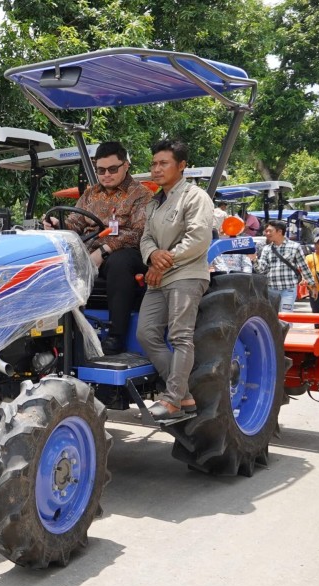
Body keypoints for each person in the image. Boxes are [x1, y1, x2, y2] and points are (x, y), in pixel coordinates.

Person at [43, 141, 153, 354]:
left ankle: (115, 336)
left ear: (125, 165)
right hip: (92, 251)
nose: (107, 175)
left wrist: (104, 251)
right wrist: (58, 223)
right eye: (101, 170)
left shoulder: (141, 194)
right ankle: (60, 331)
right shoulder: (91, 194)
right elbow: (76, 222)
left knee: (118, 263)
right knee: (53, 261)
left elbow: (138, 232)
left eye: (113, 169)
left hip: (128, 251)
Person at [135, 139, 214, 421]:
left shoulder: (195, 197)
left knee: (181, 337)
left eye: (163, 163)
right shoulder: (154, 202)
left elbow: (198, 239)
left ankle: (171, 400)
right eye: (154, 163)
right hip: (160, 275)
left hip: (186, 274)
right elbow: (145, 237)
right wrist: (152, 254)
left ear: (181, 166)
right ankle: (184, 394)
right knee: (145, 334)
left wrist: (163, 261)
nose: (156, 169)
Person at [255, 219, 316, 310]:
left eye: (270, 231)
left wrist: (312, 285)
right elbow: (261, 270)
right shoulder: (266, 249)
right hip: (271, 289)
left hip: (289, 289)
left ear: (280, 231)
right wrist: (254, 259)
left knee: (286, 315)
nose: (267, 233)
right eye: (266, 231)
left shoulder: (294, 247)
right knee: (273, 318)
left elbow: (304, 267)